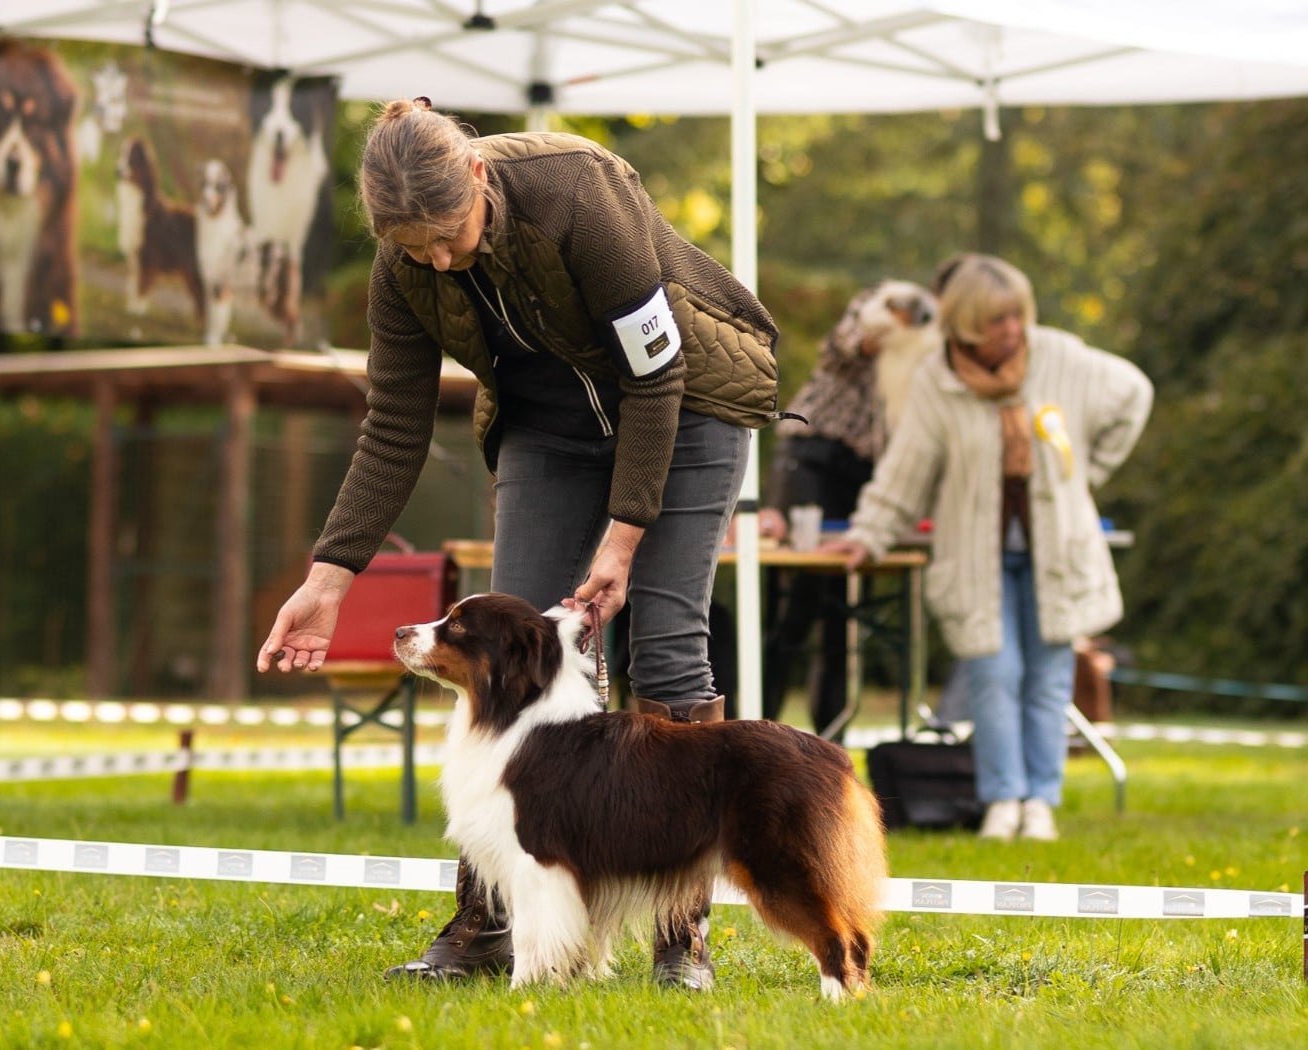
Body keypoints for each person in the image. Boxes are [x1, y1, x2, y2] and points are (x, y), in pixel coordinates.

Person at [255, 98, 779, 988]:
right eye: (415, 247)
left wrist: (621, 543)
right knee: (508, 639)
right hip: (550, 427)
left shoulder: (580, 191)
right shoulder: (403, 267)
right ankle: (488, 926)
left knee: (666, 645)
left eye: (448, 237)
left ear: (477, 177)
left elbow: (656, 377)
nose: (439, 258)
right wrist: (330, 575)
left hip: (686, 410)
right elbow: (392, 428)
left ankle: (677, 934)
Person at [821, 253, 1152, 841]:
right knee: (994, 678)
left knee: (1049, 679)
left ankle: (1040, 803)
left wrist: (1087, 472)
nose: (1012, 331)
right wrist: (868, 533)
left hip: (1057, 553)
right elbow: (906, 469)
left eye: (1017, 317)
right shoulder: (937, 381)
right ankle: (1002, 801)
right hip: (977, 559)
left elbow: (1134, 393)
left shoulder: (1059, 355)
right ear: (968, 325)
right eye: (997, 321)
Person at [756, 280, 938, 732]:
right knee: (795, 612)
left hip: (862, 472)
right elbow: (850, 345)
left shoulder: (931, 344)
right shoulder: (873, 305)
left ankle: (831, 746)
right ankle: (758, 734)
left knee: (840, 623)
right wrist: (895, 323)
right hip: (812, 459)